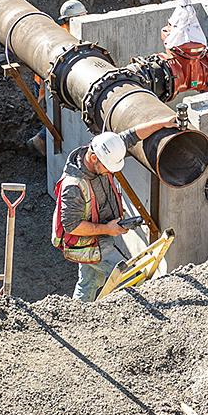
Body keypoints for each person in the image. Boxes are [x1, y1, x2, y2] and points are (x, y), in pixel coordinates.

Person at [51, 117, 175, 302]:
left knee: (89, 282)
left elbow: (132, 135)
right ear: (93, 158)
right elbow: (71, 226)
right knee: (133, 279)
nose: (110, 171)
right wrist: (108, 229)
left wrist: (162, 122)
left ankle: (76, 314)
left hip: (98, 234)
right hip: (87, 244)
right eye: (107, 168)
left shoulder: (105, 150)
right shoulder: (74, 186)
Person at [27, 0, 89, 156]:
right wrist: (42, 95)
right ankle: (39, 141)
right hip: (44, 80)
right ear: (70, 20)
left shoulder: (71, 31)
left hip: (50, 78)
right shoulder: (64, 35)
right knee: (55, 117)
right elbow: (47, 65)